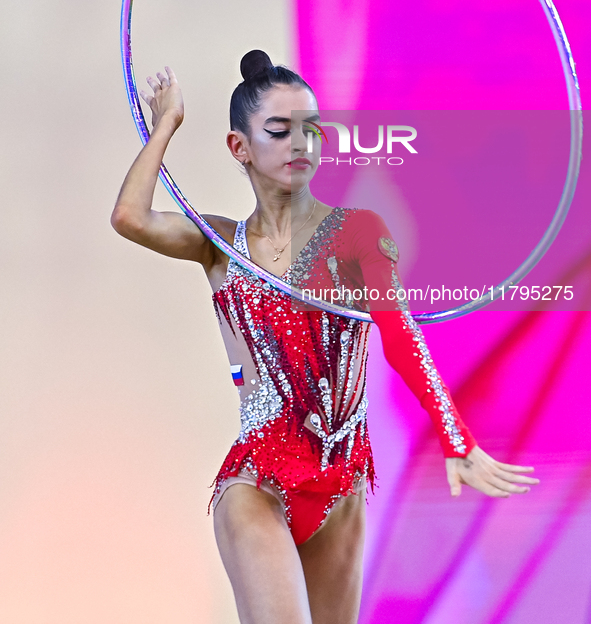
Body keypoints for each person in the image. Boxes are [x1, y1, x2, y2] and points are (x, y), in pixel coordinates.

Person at [111, 50, 539, 624]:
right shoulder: (220, 242)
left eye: (310, 129)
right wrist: (166, 123)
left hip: (341, 487)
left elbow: (400, 334)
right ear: (240, 148)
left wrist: (455, 437)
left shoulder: (358, 233)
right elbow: (130, 217)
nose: (300, 144)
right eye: (279, 130)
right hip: (257, 481)